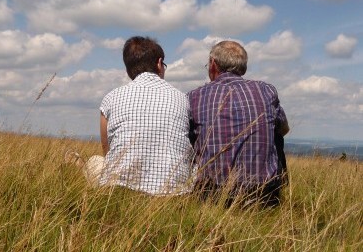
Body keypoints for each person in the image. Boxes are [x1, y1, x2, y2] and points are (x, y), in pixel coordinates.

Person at [87, 36, 195, 196]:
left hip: (120, 191)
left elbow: (106, 148)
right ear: (159, 64)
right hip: (174, 194)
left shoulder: (111, 98)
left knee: (94, 162)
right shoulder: (182, 98)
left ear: (128, 69)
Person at [188, 40, 289, 207]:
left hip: (212, 195)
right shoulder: (266, 90)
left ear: (213, 64)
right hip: (263, 193)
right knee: (276, 135)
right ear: (244, 67)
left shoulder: (194, 96)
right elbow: (284, 129)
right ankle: (280, 191)